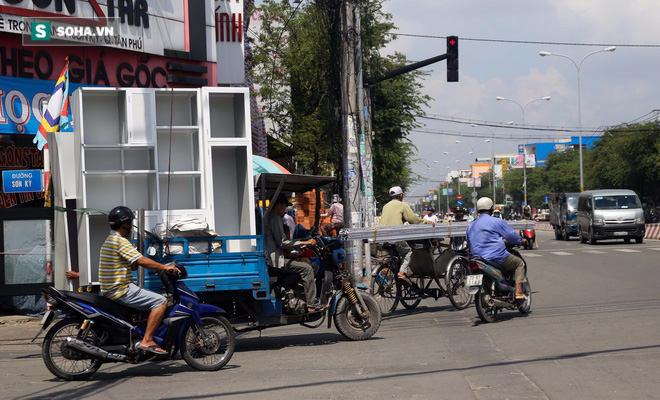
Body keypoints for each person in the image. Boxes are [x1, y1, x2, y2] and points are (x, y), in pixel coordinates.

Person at [99, 206, 181, 355]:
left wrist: (136, 261)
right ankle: (148, 340)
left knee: (147, 302)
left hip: (112, 289)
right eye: (130, 222)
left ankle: (141, 335)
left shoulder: (110, 240)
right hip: (121, 289)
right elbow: (142, 261)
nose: (130, 226)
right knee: (160, 301)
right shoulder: (120, 241)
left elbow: (132, 265)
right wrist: (165, 267)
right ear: (125, 223)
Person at [265, 193, 323, 312]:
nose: (285, 209)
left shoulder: (268, 217)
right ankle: (311, 304)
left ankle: (295, 293)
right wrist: (305, 243)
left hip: (273, 257)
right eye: (284, 206)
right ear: (279, 205)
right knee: (307, 269)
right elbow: (283, 242)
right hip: (275, 261)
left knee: (302, 261)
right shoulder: (274, 218)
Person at [466, 197, 527, 299]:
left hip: (477, 258)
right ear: (491, 209)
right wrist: (522, 241)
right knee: (519, 263)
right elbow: (511, 236)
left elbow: (469, 241)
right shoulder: (497, 222)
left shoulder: (471, 225)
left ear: (477, 210)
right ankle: (519, 292)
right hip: (496, 257)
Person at [379, 186, 435, 285]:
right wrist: (425, 222)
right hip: (395, 236)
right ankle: (401, 272)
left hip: (383, 238)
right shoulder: (402, 205)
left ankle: (397, 277)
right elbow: (412, 219)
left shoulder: (385, 206)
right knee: (408, 252)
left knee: (395, 256)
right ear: (401, 195)